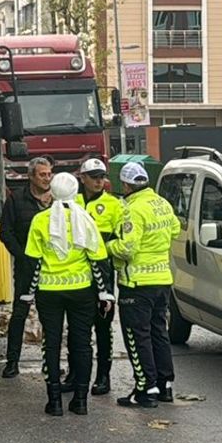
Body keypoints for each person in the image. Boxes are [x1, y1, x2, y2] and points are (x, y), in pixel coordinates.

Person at [23, 173, 107, 416]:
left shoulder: (41, 220)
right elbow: (98, 260)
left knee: (51, 343)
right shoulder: (86, 219)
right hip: (82, 291)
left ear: (52, 191)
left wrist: (27, 294)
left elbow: (33, 262)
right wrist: (104, 293)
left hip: (49, 292)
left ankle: (55, 401)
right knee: (82, 344)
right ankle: (80, 400)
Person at [107, 162, 180, 408]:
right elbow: (175, 231)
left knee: (137, 337)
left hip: (137, 284)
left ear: (126, 185)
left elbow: (127, 248)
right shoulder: (162, 204)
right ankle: (164, 385)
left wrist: (106, 246)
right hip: (162, 281)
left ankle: (145, 389)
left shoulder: (132, 209)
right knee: (159, 333)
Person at [0, 157, 53, 378]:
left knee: (50, 316)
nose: (47, 178)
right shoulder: (16, 199)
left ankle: (50, 362)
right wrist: (21, 255)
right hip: (25, 269)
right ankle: (12, 362)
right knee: (19, 314)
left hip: (51, 269)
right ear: (31, 176)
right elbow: (5, 232)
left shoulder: (58, 199)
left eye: (49, 174)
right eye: (42, 174)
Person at [76, 158, 124, 396]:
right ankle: (76, 373)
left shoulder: (114, 204)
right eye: (93, 177)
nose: (98, 181)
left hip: (103, 274)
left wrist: (102, 244)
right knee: (77, 328)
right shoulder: (71, 201)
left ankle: (103, 376)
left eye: (101, 176)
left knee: (103, 326)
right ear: (82, 178)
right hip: (75, 274)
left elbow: (122, 237)